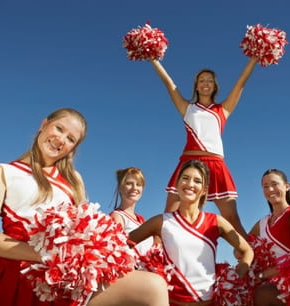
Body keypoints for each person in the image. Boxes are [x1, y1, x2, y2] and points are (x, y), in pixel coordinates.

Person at [0, 108, 169, 306]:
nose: (61, 139)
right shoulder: (3, 172)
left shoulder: (74, 181)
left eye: (71, 139)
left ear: (73, 148)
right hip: (15, 271)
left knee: (154, 286)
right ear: (44, 124)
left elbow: (87, 231)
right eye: (59, 128)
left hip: (65, 278)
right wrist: (47, 256)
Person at [149, 56, 258, 238]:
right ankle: (158, 254)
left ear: (215, 87)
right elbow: (169, 83)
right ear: (196, 86)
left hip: (215, 164)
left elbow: (240, 83)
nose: (205, 83)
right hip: (189, 163)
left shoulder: (222, 109)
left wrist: (254, 58)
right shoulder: (187, 107)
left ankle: (253, 256)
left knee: (231, 217)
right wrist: (153, 59)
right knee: (170, 214)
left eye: (209, 81)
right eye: (201, 81)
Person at [128, 159, 254, 306]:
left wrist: (235, 278)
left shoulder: (216, 221)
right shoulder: (161, 221)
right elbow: (123, 243)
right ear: (177, 184)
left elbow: (247, 251)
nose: (190, 184)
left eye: (197, 181)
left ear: (205, 190)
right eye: (185, 178)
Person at [250, 169, 290, 306]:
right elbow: (243, 242)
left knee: (262, 293)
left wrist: (263, 275)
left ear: (287, 187)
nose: (270, 189)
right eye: (265, 186)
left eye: (275, 184)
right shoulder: (262, 222)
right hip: (268, 281)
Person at [110, 167, 156, 256]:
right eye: (129, 184)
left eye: (138, 184)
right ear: (120, 187)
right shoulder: (117, 216)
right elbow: (115, 254)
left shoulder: (142, 220)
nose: (134, 188)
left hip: (145, 269)